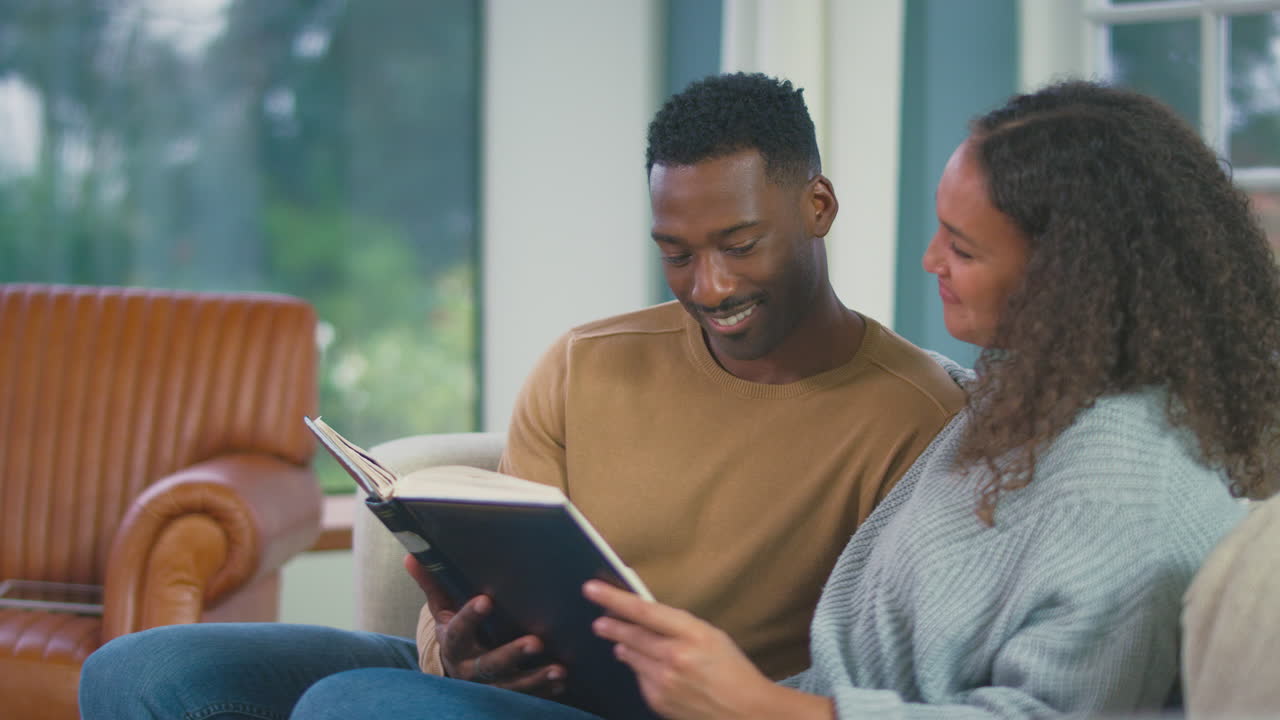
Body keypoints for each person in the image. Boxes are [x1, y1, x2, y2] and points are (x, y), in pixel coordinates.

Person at [284, 80, 1280, 720]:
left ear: (1077, 272)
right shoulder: (1024, 400)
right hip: (689, 699)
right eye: (678, 253)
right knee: (166, 677)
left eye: (962, 247)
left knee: (355, 709)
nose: (927, 261)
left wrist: (760, 708)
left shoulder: (1134, 488)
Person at [79, 73, 965, 719]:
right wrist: (457, 648)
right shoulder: (588, 363)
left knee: (360, 709)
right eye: (677, 251)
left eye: (739, 243)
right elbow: (481, 593)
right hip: (521, 686)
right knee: (141, 673)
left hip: (691, 713)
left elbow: (889, 673)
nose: (708, 285)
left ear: (818, 206)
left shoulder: (916, 416)